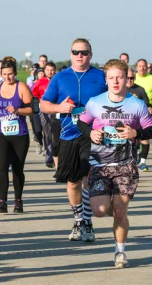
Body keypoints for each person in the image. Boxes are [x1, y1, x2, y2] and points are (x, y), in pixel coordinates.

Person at [77, 59, 152, 268]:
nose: (115, 82)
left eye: (119, 77)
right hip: (100, 165)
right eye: (111, 78)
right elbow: (81, 123)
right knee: (100, 210)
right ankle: (113, 209)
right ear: (106, 79)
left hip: (125, 165)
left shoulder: (136, 104)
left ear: (126, 78)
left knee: (120, 211)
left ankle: (120, 252)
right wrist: (91, 133)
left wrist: (136, 133)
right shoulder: (95, 102)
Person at [40, 38, 107, 242]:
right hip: (68, 134)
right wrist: (59, 108)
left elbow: (112, 100)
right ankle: (78, 219)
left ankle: (87, 222)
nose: (80, 56)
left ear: (91, 55)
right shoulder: (60, 78)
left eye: (84, 52)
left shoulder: (100, 76)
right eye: (76, 52)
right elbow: (43, 104)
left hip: (91, 134)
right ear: (70, 54)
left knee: (88, 177)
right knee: (72, 182)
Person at [0, 57, 33, 213]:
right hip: (0, 133)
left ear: (15, 73)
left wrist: (17, 110)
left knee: (17, 169)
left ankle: (18, 201)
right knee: (2, 167)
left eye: (10, 74)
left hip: (19, 134)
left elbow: (32, 109)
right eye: (4, 74)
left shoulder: (22, 87)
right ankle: (2, 202)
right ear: (0, 73)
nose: (7, 77)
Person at [134, 59, 152, 173]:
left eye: (144, 66)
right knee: (134, 139)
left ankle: (143, 162)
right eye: (140, 66)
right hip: (132, 113)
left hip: (147, 112)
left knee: (145, 138)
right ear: (136, 67)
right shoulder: (132, 78)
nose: (142, 68)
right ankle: (137, 156)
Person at [125, 68, 151, 171]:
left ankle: (143, 162)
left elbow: (147, 103)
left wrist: (149, 108)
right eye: (127, 78)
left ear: (135, 78)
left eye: (131, 78)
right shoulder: (120, 89)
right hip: (125, 121)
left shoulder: (140, 89)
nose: (129, 80)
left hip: (139, 120)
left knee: (145, 140)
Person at [33, 62, 57, 168]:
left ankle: (58, 155)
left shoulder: (58, 81)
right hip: (44, 110)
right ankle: (49, 157)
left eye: (52, 70)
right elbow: (34, 95)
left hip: (57, 110)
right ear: (44, 70)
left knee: (56, 134)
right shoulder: (39, 82)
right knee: (47, 134)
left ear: (55, 71)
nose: (50, 72)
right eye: (48, 70)